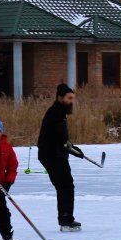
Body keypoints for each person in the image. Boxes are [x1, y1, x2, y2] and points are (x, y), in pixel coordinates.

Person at [37, 83, 81, 231]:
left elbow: (62, 139)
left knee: (66, 185)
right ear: (60, 97)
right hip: (51, 155)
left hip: (56, 154)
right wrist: (71, 149)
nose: (71, 101)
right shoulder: (55, 113)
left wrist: (72, 148)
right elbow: (59, 138)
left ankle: (67, 218)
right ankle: (65, 220)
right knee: (65, 186)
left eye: (72, 98)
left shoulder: (59, 112)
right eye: (69, 98)